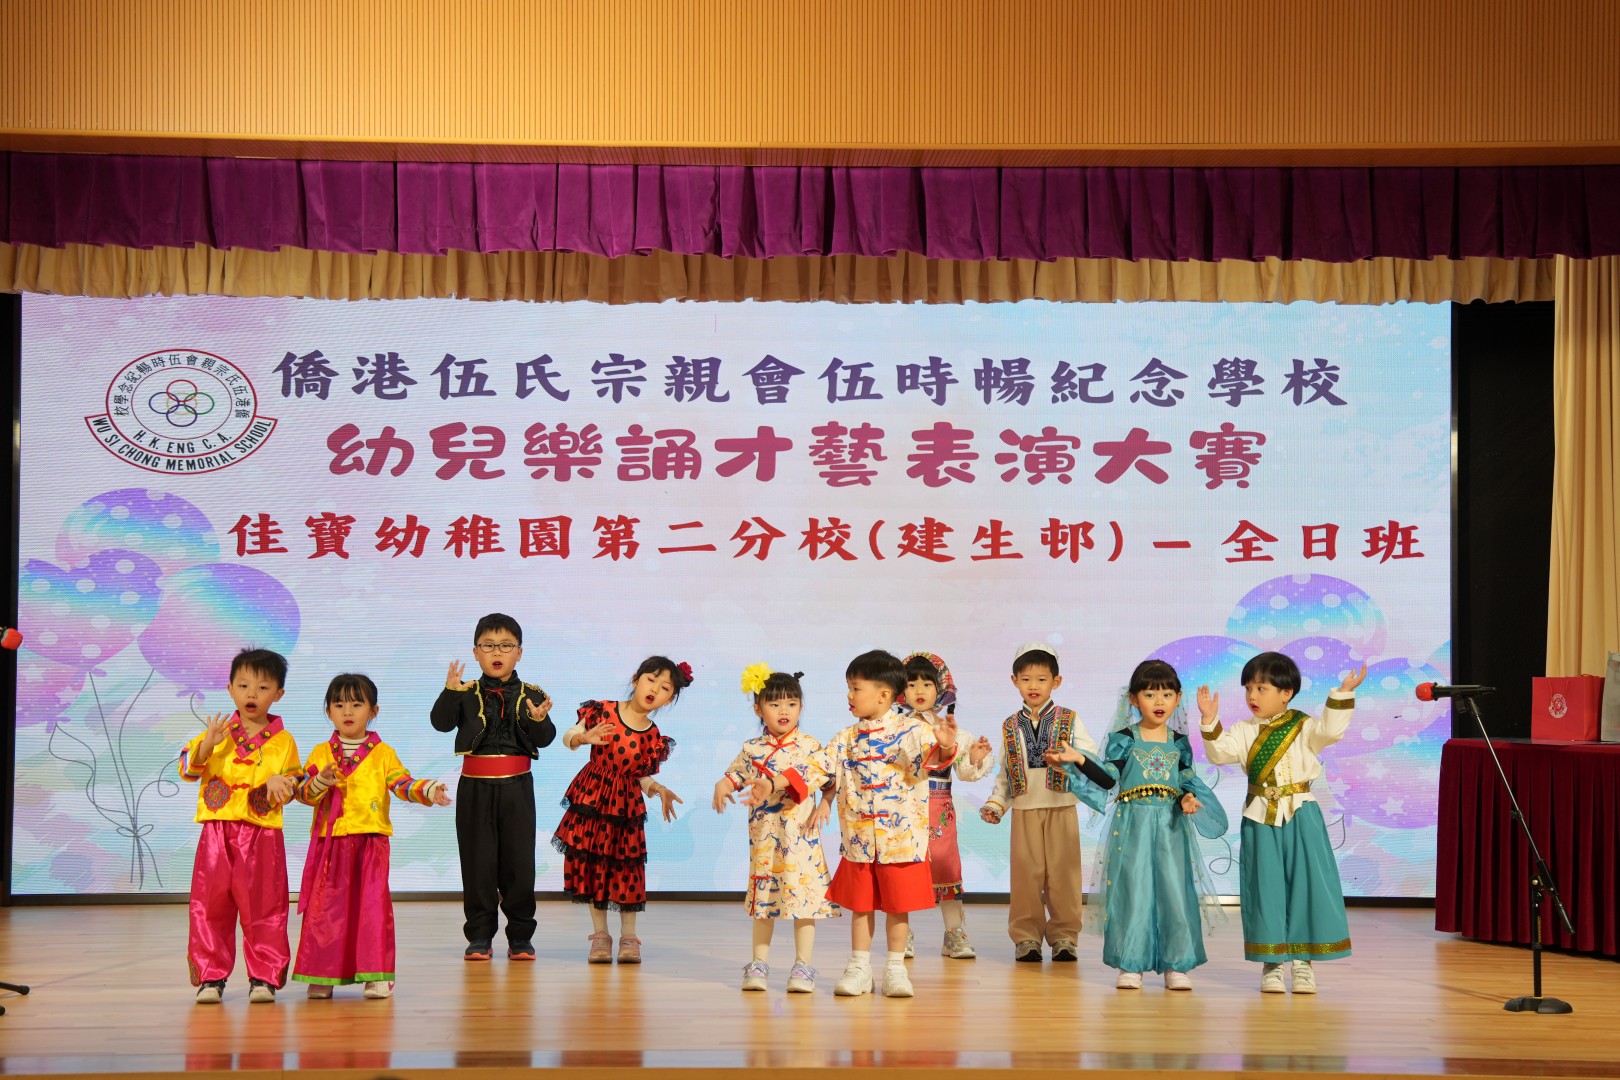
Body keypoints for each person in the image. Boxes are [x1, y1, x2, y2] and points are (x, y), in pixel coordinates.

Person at [741, 649, 953, 998]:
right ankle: (859, 967)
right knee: (861, 906)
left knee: (898, 907)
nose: (849, 696)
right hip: (859, 841)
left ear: (883, 694)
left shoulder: (913, 730)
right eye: (849, 688)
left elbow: (930, 758)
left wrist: (945, 748)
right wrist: (774, 783)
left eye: (855, 688)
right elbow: (814, 768)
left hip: (901, 840)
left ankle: (895, 968)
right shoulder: (845, 739)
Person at [1045, 659, 1227, 990]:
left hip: (1171, 826)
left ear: (1178, 698)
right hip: (1132, 826)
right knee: (1133, 890)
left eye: (1167, 694)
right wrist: (1080, 759)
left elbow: (1185, 783)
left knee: (1174, 891)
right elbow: (1107, 778)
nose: (1159, 702)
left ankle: (1176, 964)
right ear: (1133, 699)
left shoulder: (1179, 741)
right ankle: (1131, 963)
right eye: (1150, 694)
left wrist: (1188, 800)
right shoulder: (1124, 738)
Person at [1196, 650, 1366, 994]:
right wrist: (1210, 721)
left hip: (1301, 814)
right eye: (1248, 689)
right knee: (1265, 888)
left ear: (1286, 693)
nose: (1252, 696)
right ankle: (1272, 963)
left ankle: (1302, 963)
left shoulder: (1304, 726)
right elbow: (1219, 754)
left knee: (1307, 885)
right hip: (1259, 816)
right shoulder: (1244, 730)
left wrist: (1343, 692)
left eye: (1261, 689)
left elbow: (1331, 730)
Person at [293, 673, 451, 999]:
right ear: (328, 712)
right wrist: (321, 780)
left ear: (373, 711)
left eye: (356, 704)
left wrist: (428, 789)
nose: (347, 711)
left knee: (372, 907)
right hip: (329, 844)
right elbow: (305, 793)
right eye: (339, 705)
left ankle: (376, 974)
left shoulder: (383, 753)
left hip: (370, 843)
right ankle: (323, 974)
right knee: (326, 909)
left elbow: (401, 784)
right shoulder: (321, 753)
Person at [179, 647, 303, 1004]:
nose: (252, 694)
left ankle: (264, 977)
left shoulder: (283, 741)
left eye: (263, 688)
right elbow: (187, 769)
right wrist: (207, 745)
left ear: (278, 694)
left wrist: (283, 783)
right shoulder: (217, 732)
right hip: (217, 832)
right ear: (230, 689)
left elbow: (295, 782)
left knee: (264, 906)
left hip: (261, 834)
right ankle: (210, 977)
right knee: (209, 905)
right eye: (244, 685)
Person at [430, 612, 555, 961]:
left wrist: (538, 719)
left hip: (517, 788)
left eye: (505, 645)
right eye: (488, 645)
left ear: (519, 652)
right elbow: (440, 723)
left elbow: (545, 738)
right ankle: (480, 936)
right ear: (475, 652)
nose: (496, 652)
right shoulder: (464, 691)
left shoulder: (532, 694)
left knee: (519, 864)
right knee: (477, 864)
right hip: (475, 788)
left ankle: (521, 937)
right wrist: (449, 692)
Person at [553, 655, 689, 964]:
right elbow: (568, 736)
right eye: (651, 680)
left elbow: (641, 776)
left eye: (665, 687)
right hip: (592, 800)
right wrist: (583, 738)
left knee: (627, 869)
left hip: (625, 806)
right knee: (592, 865)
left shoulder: (653, 736)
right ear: (636, 679)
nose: (654, 689)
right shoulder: (603, 710)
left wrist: (659, 789)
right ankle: (600, 935)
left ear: (669, 699)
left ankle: (629, 937)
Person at [713, 664, 839, 993]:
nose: (784, 710)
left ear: (801, 707)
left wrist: (826, 803)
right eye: (775, 703)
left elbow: (828, 780)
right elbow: (734, 775)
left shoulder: (810, 746)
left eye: (791, 703)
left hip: (801, 838)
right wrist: (722, 786)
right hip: (765, 839)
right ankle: (759, 963)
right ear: (758, 708)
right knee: (764, 902)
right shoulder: (752, 748)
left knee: (804, 902)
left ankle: (803, 966)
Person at [979, 641, 1107, 963]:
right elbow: (1006, 772)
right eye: (1026, 679)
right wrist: (996, 803)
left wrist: (1070, 761)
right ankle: (1026, 938)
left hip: (1061, 805)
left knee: (1064, 875)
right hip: (1024, 809)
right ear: (1014, 681)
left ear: (1056, 682)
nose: (1033, 686)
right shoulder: (1010, 724)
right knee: (1026, 876)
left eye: (1041, 679)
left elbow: (1090, 758)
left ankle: (1064, 936)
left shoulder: (1070, 719)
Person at [900, 651, 994, 959]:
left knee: (946, 867)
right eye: (911, 684)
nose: (919, 690)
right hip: (903, 810)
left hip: (940, 809)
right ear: (901, 689)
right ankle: (901, 934)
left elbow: (966, 773)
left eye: (927, 684)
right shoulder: (894, 729)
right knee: (903, 867)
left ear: (940, 689)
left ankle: (954, 933)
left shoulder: (955, 732)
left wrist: (975, 758)